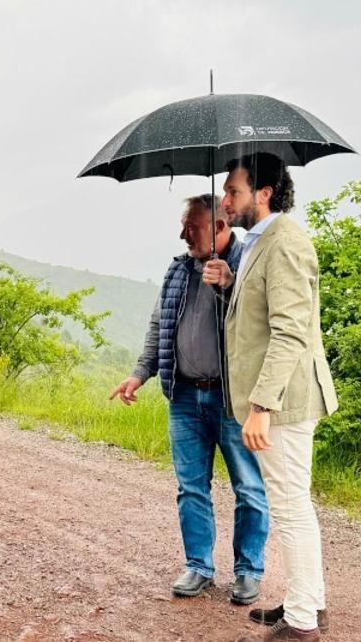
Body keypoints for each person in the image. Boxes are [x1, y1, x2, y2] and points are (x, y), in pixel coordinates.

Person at [204, 153, 339, 642]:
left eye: (233, 191)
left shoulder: (284, 242)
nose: (225, 201)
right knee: (292, 503)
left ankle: (302, 623)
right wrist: (230, 284)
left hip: (283, 401)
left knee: (290, 506)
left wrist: (261, 407)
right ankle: (309, 601)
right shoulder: (261, 242)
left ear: (263, 194)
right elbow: (262, 313)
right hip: (280, 398)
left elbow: (289, 332)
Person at [113, 194, 269, 606]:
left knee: (249, 487)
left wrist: (229, 286)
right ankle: (199, 566)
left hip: (233, 399)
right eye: (184, 227)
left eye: (192, 228)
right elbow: (160, 324)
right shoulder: (179, 267)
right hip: (183, 395)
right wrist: (139, 373)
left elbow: (259, 323)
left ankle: (248, 571)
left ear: (219, 227)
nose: (184, 235)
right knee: (191, 488)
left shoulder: (248, 264)